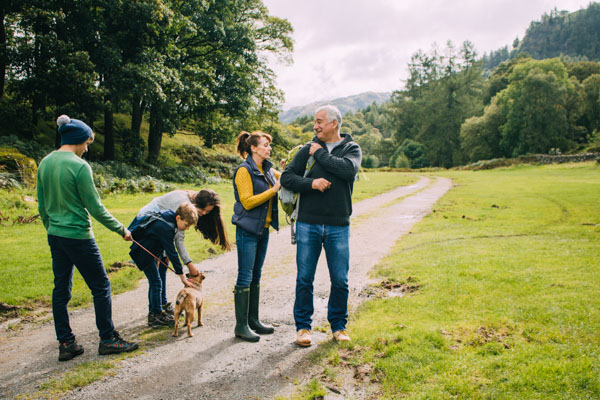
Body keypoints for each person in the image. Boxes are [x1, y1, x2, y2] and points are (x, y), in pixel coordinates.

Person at [37, 115, 139, 362]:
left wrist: (52, 227)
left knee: (61, 290)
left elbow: (42, 205)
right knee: (101, 286)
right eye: (87, 143)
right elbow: (95, 207)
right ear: (78, 140)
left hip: (56, 236)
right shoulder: (79, 166)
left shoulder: (45, 163)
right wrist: (121, 229)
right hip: (79, 236)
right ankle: (108, 339)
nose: (87, 148)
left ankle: (66, 343)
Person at [280, 105, 362, 347]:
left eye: (319, 121)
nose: (315, 126)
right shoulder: (307, 148)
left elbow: (348, 170)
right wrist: (312, 183)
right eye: (315, 122)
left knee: (340, 279)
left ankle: (338, 327)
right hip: (308, 223)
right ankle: (303, 327)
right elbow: (287, 177)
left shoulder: (351, 149)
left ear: (334, 123)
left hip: (338, 225)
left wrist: (321, 156)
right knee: (305, 278)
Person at [132, 189, 230, 315]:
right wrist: (189, 266)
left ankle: (162, 305)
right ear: (197, 203)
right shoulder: (183, 207)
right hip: (149, 226)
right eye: (204, 209)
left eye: (208, 212)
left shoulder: (191, 204)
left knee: (163, 266)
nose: (205, 214)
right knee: (157, 273)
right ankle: (156, 311)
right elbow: (178, 240)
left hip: (161, 229)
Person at [231, 131, 281, 342]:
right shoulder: (244, 170)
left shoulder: (267, 168)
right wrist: (274, 190)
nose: (269, 149)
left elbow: (285, 177)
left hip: (263, 229)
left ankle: (254, 321)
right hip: (247, 230)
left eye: (270, 145)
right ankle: (241, 326)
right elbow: (248, 202)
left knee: (256, 275)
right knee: (245, 275)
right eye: (266, 145)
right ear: (253, 148)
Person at [128, 203, 198, 327]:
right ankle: (156, 315)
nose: (186, 228)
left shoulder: (169, 218)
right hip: (144, 253)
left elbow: (163, 243)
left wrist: (164, 256)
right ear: (178, 218)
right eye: (186, 225)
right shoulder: (166, 227)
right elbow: (172, 251)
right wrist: (183, 278)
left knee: (155, 282)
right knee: (156, 282)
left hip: (150, 252)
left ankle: (154, 312)